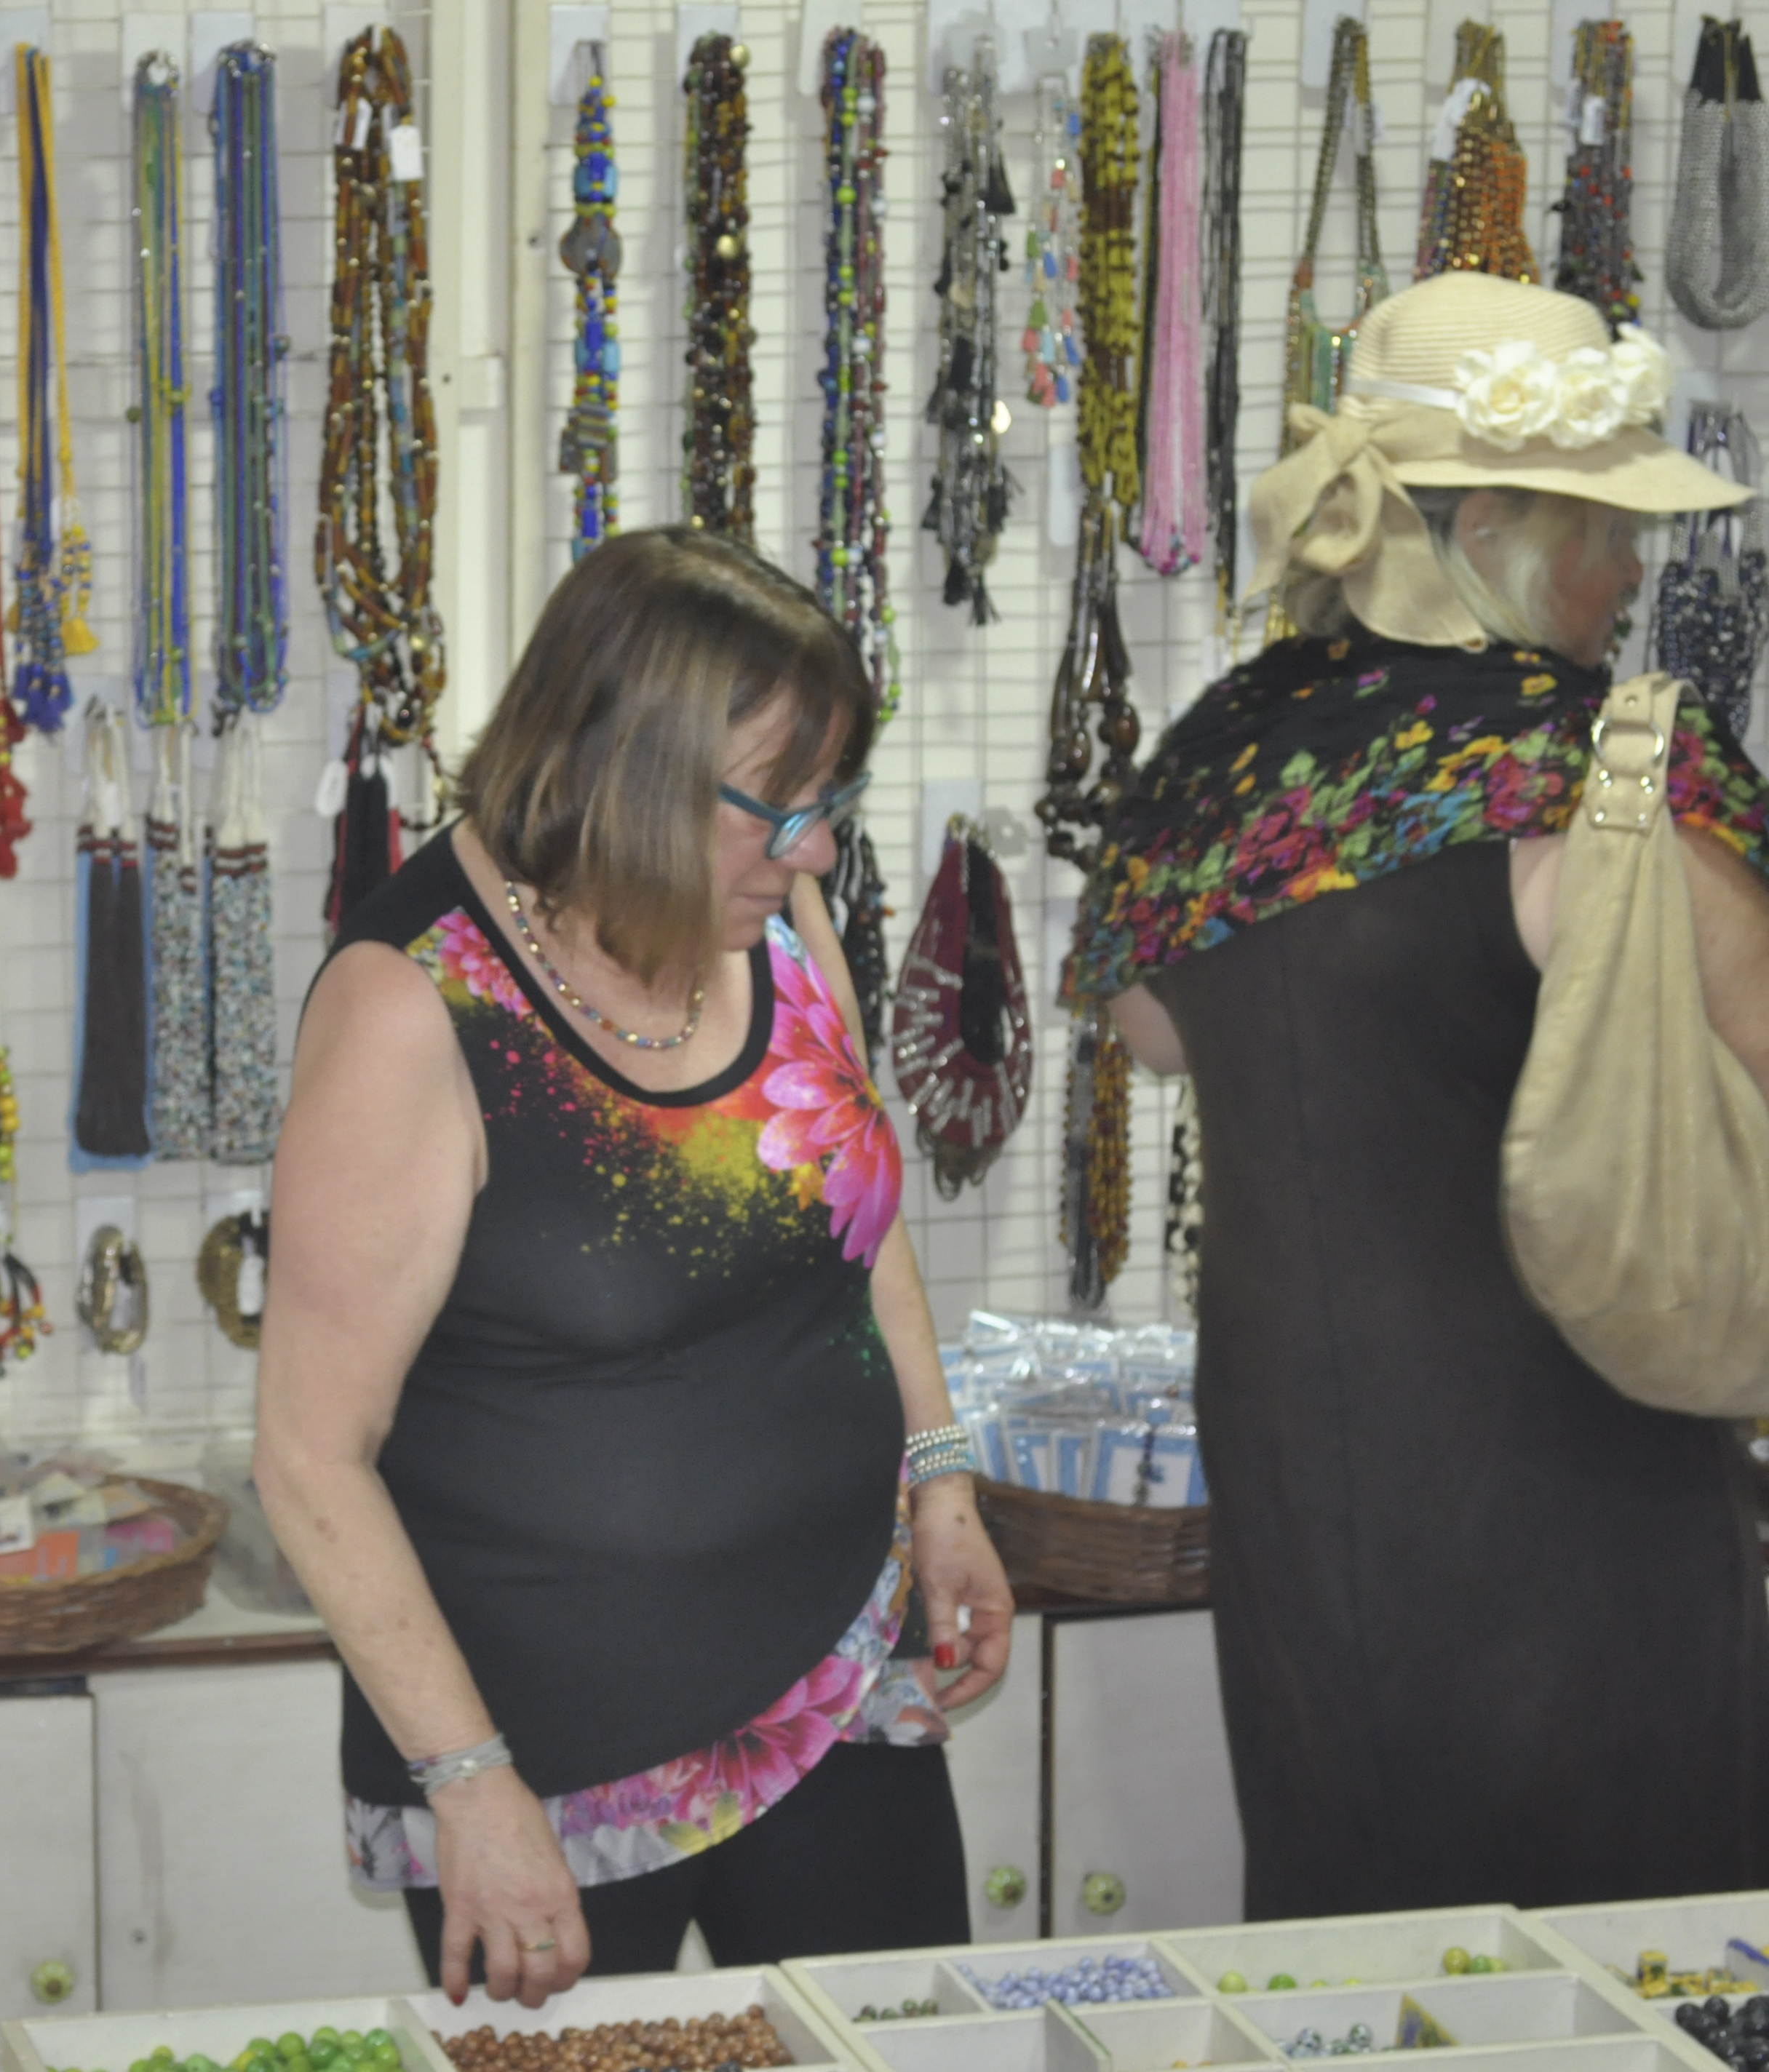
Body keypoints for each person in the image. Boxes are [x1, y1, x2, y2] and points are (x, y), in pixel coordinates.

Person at [1068, 271, 1769, 1916]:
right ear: (1498, 527)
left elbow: (1147, 1029)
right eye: (1604, 526)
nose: (1624, 571)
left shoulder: (1214, 763)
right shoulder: (1603, 773)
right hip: (1574, 1434)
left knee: (1363, 1920)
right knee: (1624, 1944)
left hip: (1309, 1451)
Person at [255, 529, 1012, 2009]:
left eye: (829, 804)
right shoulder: (414, 1006)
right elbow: (305, 1454)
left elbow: (852, 1220)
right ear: (621, 769)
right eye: (773, 810)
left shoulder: (779, 927)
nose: (812, 850)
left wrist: (941, 1476)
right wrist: (469, 1785)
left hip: (838, 1675)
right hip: (548, 1759)